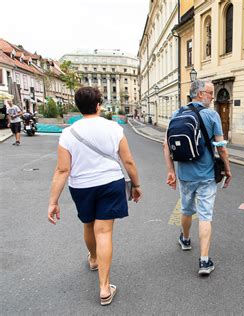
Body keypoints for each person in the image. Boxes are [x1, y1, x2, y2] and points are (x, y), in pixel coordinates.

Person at [47, 87, 142, 306]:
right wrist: (136, 185)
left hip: (81, 187)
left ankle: (93, 258)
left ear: (78, 107)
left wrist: (53, 201)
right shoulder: (113, 128)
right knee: (104, 231)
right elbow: (128, 161)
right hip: (110, 183)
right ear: (99, 105)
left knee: (89, 225)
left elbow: (62, 170)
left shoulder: (68, 133)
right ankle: (104, 288)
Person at [163, 80, 232, 275]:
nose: (212, 97)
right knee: (205, 216)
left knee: (186, 209)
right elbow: (221, 148)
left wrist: (171, 171)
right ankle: (204, 261)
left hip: (185, 174)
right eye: (210, 93)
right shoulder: (212, 115)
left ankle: (185, 240)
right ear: (200, 94)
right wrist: (227, 170)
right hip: (207, 175)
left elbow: (166, 145)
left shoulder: (177, 114)